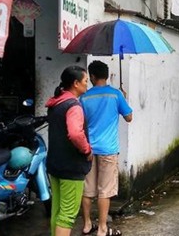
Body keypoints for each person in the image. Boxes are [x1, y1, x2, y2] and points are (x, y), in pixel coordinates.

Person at [79, 61, 133, 236]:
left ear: (92, 77)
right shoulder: (115, 95)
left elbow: (80, 122)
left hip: (87, 149)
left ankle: (87, 224)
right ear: (107, 75)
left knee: (87, 189)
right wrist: (123, 97)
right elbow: (129, 117)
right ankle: (102, 228)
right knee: (105, 190)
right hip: (108, 149)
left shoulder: (84, 97)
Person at [45, 66, 93, 236]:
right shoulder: (73, 106)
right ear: (76, 83)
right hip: (71, 167)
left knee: (57, 211)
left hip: (55, 165)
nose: (87, 85)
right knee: (67, 215)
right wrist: (87, 150)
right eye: (85, 81)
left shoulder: (56, 104)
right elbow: (75, 133)